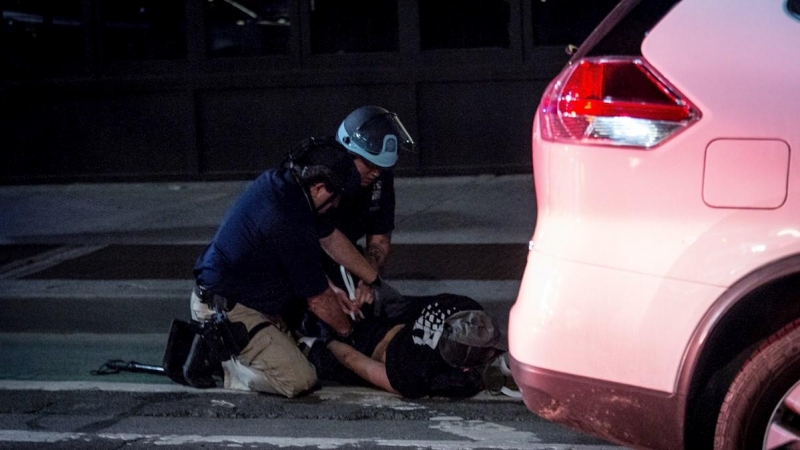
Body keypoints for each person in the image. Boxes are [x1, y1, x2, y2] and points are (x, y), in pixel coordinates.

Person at [189, 137, 362, 398]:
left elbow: (308, 271)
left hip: (247, 298)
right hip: (225, 309)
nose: (336, 203)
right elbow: (317, 300)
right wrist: (351, 334)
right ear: (317, 187)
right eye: (335, 195)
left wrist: (332, 288)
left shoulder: (283, 186)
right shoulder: (288, 218)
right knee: (300, 380)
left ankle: (265, 346)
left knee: (301, 343)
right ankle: (221, 360)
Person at [303, 293, 507, 399]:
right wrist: (328, 342)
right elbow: (352, 360)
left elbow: (407, 306)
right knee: (315, 356)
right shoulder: (414, 375)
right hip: (367, 347)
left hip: (382, 326)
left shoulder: (462, 305)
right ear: (464, 367)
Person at [317, 106, 415, 306]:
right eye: (370, 165)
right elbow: (316, 241)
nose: (376, 173)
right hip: (306, 253)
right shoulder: (320, 176)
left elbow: (380, 237)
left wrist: (367, 276)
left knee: (370, 305)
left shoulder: (379, 177)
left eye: (381, 168)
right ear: (348, 154)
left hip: (344, 252)